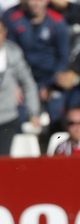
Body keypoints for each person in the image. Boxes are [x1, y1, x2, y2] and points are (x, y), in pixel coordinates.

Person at [3, 0, 71, 124]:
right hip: (23, 77)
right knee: (16, 114)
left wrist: (52, 84)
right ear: (26, 0)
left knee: (58, 112)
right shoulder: (14, 20)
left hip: (49, 76)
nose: (35, 3)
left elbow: (64, 56)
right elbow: (9, 53)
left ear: (46, 0)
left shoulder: (57, 22)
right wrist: (14, 84)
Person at [0, 17, 38, 155]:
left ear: (4, 33)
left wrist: (33, 113)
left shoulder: (13, 54)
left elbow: (28, 84)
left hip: (7, 118)